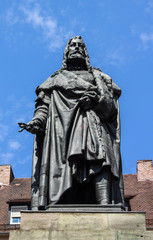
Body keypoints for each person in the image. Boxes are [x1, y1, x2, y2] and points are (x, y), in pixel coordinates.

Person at [19, 36, 124, 210]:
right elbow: (43, 106)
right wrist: (37, 122)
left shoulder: (98, 77)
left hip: (93, 124)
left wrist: (95, 100)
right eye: (72, 45)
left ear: (85, 52)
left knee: (100, 159)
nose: (76, 48)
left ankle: (105, 205)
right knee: (64, 167)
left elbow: (111, 109)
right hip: (62, 133)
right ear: (66, 52)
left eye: (80, 46)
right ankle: (60, 204)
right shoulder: (55, 80)